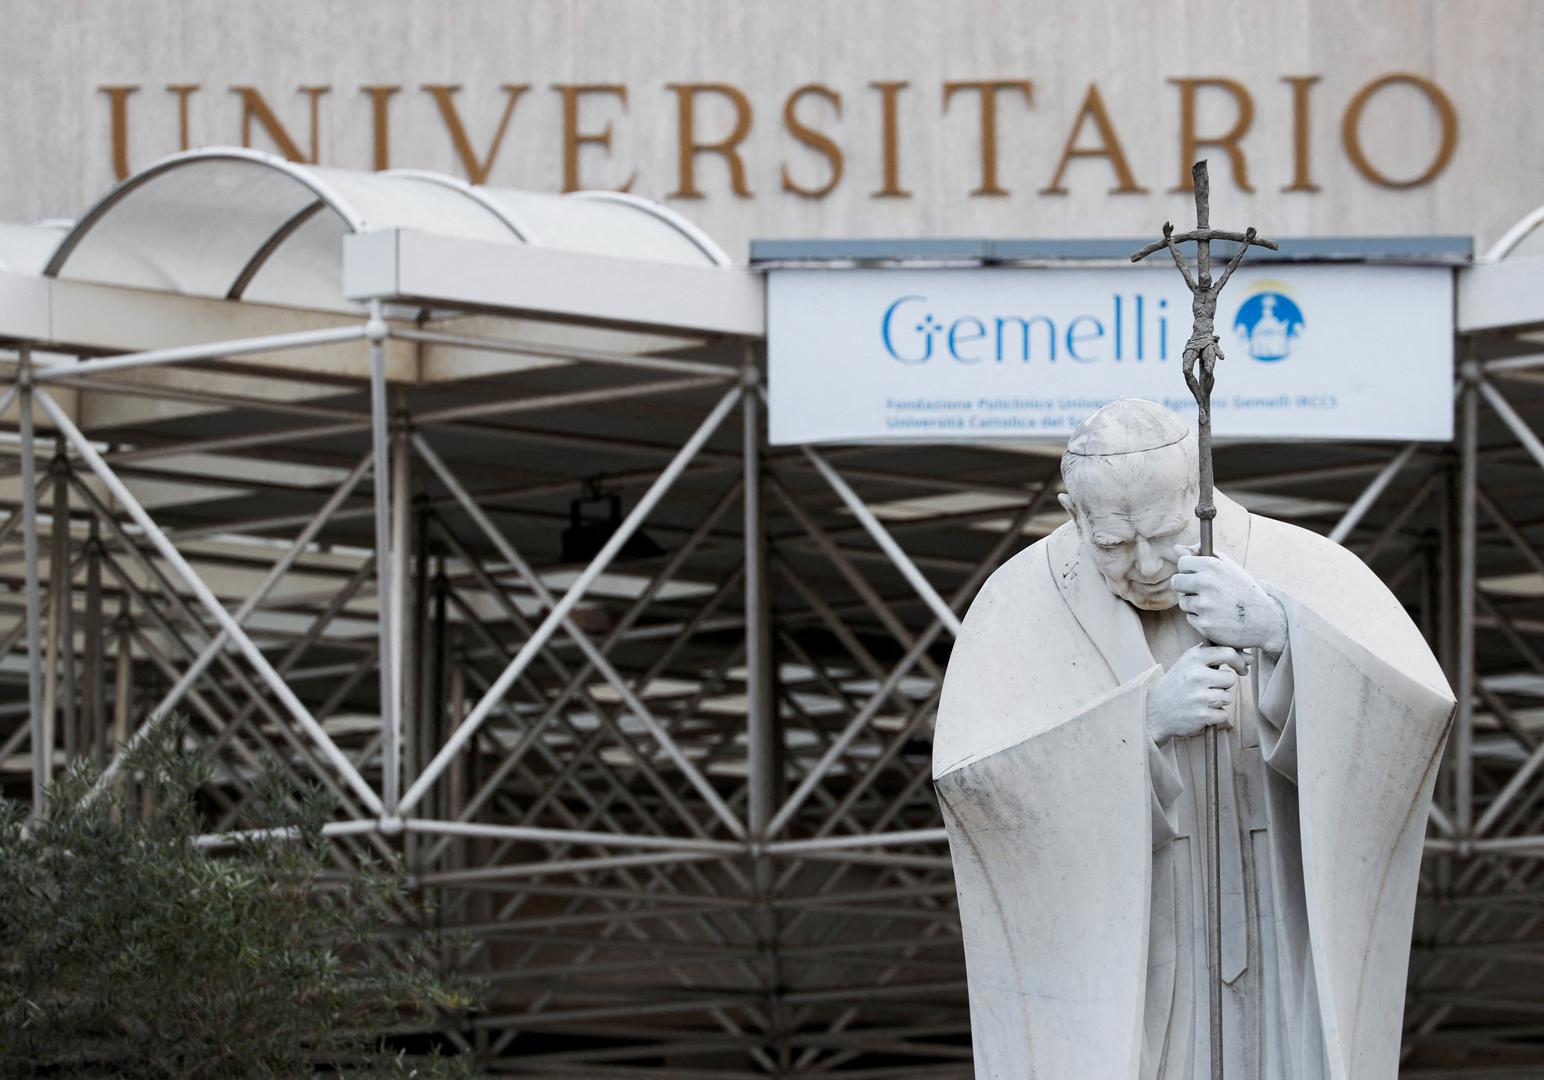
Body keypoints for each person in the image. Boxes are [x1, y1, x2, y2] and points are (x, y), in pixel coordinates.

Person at [934, 398, 1454, 1079]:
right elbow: (979, 790)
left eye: (1165, 534)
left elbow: (1412, 725)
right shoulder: (1016, 604)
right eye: (1115, 545)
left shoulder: (1300, 565)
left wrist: (1282, 635)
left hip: (1277, 930)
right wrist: (1140, 726)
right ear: (1073, 513)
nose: (1147, 564)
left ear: (1198, 494)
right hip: (1136, 951)